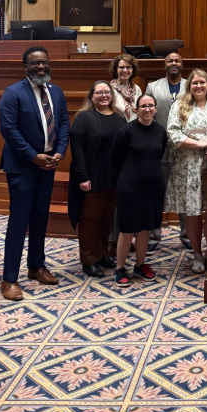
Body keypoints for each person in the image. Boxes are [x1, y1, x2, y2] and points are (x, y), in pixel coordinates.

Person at [0, 46, 70, 301]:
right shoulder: (13, 93)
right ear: (25, 66)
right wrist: (33, 156)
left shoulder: (56, 92)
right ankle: (9, 279)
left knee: (41, 217)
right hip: (23, 167)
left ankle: (36, 266)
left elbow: (63, 123)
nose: (41, 67)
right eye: (35, 63)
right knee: (19, 220)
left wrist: (59, 152)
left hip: (48, 165)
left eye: (44, 63)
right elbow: (8, 129)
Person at [166, 69, 207, 274]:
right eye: (195, 83)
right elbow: (173, 133)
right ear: (189, 86)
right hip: (189, 167)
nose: (199, 86)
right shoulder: (180, 105)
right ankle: (197, 254)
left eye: (202, 82)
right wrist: (199, 143)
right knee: (193, 212)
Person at [68, 81, 126, 277]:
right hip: (91, 177)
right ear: (91, 96)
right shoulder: (84, 118)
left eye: (106, 92)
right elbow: (77, 150)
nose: (103, 96)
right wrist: (83, 176)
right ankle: (89, 259)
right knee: (89, 220)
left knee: (106, 219)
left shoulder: (119, 117)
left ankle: (102, 254)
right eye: (99, 93)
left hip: (113, 177)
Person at [111, 94, 168, 286]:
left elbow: (158, 155)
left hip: (153, 186)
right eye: (143, 106)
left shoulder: (160, 131)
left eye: (151, 106)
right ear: (136, 109)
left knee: (145, 228)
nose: (147, 109)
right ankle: (120, 268)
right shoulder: (126, 131)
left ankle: (140, 264)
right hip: (130, 186)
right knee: (127, 229)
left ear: (156, 109)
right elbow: (116, 159)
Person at [145, 52, 191, 253]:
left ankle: (187, 235)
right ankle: (154, 235)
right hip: (159, 147)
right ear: (164, 64)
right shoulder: (153, 86)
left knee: (185, 191)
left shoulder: (191, 84)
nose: (173, 63)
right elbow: (148, 115)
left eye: (177, 61)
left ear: (182, 64)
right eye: (170, 60)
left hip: (185, 148)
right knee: (156, 192)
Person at [109, 54, 143, 122]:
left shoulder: (137, 89)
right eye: (121, 67)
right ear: (116, 69)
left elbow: (140, 110)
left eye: (128, 67)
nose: (125, 70)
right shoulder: (110, 89)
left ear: (132, 69)